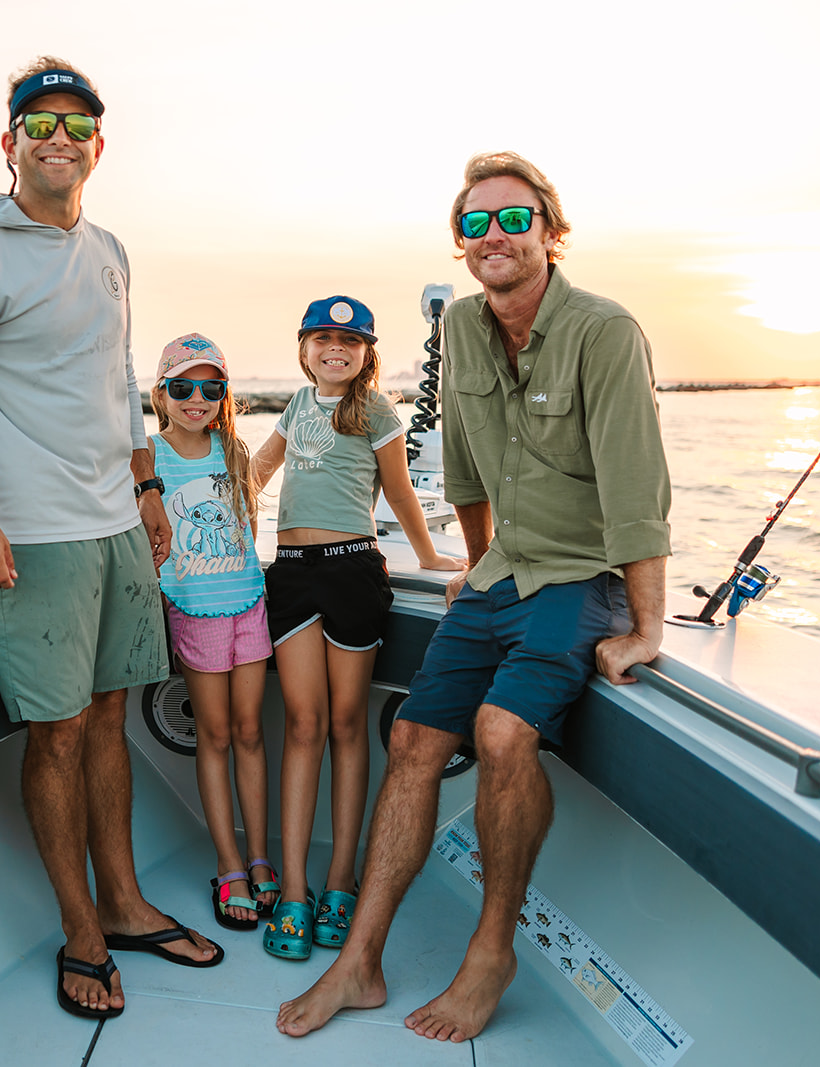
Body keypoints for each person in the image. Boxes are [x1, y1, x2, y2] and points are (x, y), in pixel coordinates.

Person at [276, 151, 672, 1043]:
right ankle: (360, 960)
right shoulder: (459, 323)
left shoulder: (606, 331)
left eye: (513, 218)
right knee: (413, 735)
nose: (494, 234)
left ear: (550, 231)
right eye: (476, 223)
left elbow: (637, 484)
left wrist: (648, 626)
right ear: (460, 244)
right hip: (498, 578)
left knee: (500, 732)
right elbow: (464, 464)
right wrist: (475, 563)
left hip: (583, 576)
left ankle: (492, 950)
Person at [0, 58, 222, 1023]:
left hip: (116, 521)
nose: (59, 138)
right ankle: (81, 929)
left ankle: (126, 904)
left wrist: (146, 486)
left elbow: (117, 372)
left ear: (99, 146)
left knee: (110, 718)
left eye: (77, 125)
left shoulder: (110, 248)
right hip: (33, 532)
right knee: (56, 732)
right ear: (9, 144)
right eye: (38, 123)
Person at [251, 297, 463, 961]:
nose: (335, 349)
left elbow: (399, 491)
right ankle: (293, 888)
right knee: (303, 725)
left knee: (346, 726)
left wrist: (429, 558)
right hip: (290, 573)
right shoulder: (294, 406)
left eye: (349, 340)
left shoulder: (375, 410)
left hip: (351, 569)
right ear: (304, 346)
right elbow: (256, 471)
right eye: (323, 338)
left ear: (367, 352)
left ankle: (340, 879)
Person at [147, 333, 279, 932]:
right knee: (217, 735)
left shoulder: (234, 449)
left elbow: (247, 524)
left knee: (252, 731)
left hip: (247, 602)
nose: (196, 399)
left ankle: (258, 856)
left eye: (210, 388)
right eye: (183, 387)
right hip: (194, 610)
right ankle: (226, 863)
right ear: (161, 394)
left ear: (224, 395)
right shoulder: (147, 456)